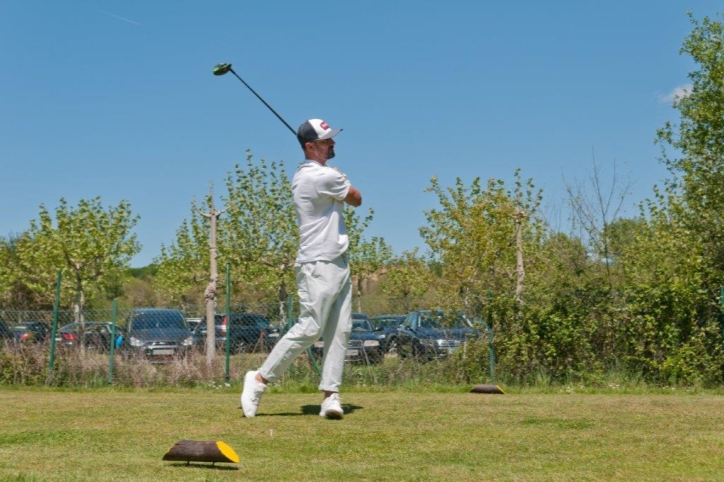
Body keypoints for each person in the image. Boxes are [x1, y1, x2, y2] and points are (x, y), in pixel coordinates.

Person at [241, 118, 362, 419]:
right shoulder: (320, 177)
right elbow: (357, 199)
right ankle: (258, 380)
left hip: (338, 261)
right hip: (317, 263)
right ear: (311, 147)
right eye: (326, 141)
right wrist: (339, 175)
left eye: (332, 139)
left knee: (340, 331)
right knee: (311, 327)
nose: (333, 144)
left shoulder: (319, 174)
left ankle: (330, 397)